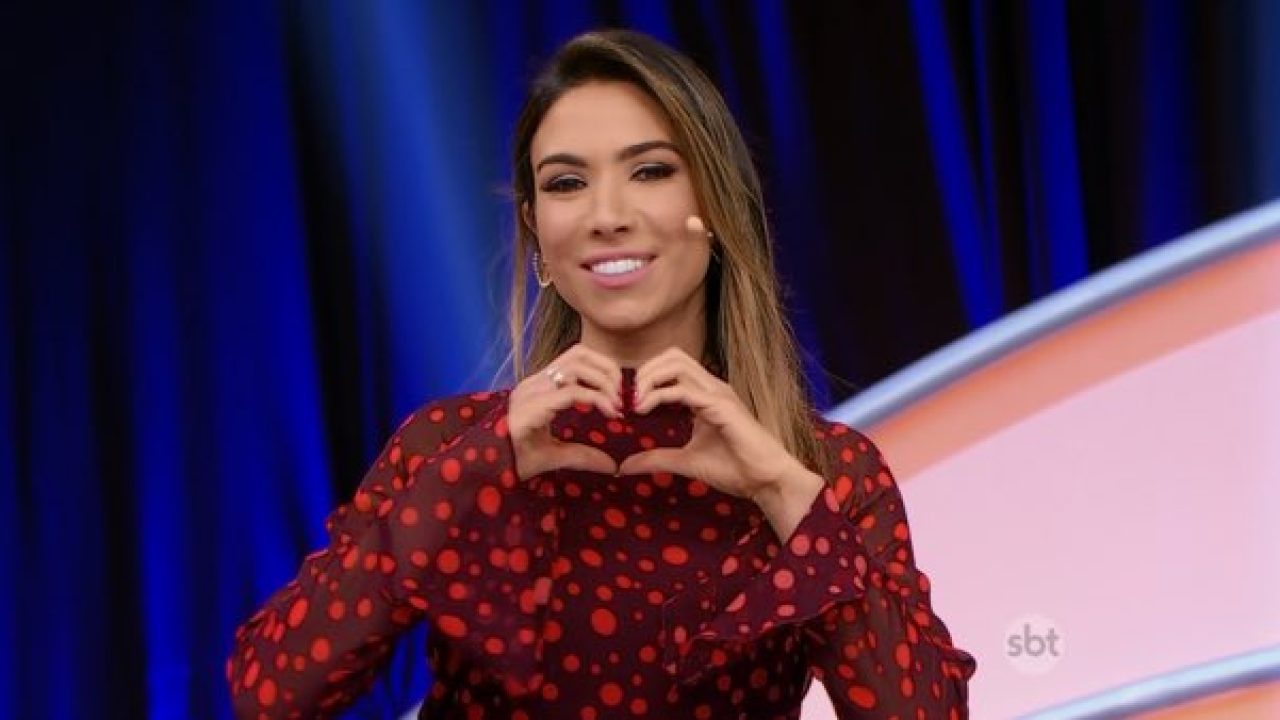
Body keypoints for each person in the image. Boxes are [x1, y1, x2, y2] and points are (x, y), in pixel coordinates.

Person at [227, 28, 975, 719]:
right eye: (565, 184)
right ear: (536, 233)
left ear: (712, 206)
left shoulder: (828, 471)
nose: (605, 214)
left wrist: (783, 495)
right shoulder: (449, 447)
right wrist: (475, 473)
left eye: (649, 171)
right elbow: (272, 690)